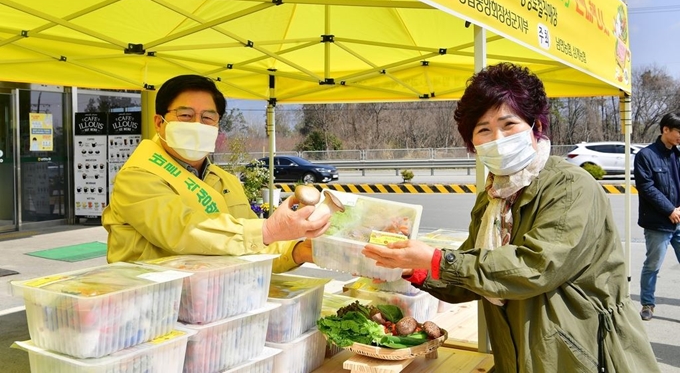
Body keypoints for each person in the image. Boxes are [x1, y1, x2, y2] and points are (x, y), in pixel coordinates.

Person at [362, 63, 659, 372]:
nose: (498, 138)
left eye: (509, 124)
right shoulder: (491, 199)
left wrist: (436, 260)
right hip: (518, 354)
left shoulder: (569, 186)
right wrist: (416, 268)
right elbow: (473, 274)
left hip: (579, 353)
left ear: (536, 127)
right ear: (473, 143)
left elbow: (535, 268)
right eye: (484, 130)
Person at [102, 74, 330, 273]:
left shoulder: (226, 181)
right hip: (149, 307)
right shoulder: (137, 176)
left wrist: (299, 251)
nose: (197, 124)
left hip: (214, 303)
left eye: (207, 118)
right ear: (159, 123)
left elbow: (254, 245)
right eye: (185, 116)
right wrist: (268, 229)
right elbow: (182, 231)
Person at [633, 112, 680, 321]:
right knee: (653, 265)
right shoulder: (646, 156)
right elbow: (647, 188)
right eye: (679, 131)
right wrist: (670, 210)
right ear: (666, 130)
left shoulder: (678, 155)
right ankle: (647, 303)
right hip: (658, 223)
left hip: (679, 218)